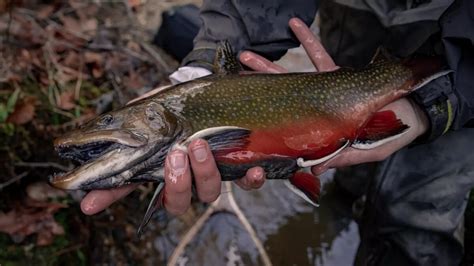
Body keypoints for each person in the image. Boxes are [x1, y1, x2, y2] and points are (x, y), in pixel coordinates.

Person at [80, 0, 474, 265]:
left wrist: (440, 98)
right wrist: (207, 64)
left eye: (110, 122)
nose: (108, 127)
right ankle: (342, 202)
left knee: (418, 214)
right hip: (358, 7)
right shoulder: (168, 120)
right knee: (348, 150)